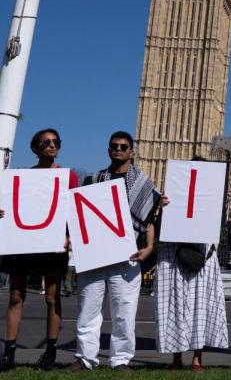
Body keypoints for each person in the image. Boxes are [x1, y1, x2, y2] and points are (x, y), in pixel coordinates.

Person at [71, 131, 158, 371]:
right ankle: (85, 358)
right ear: (108, 150)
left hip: (127, 257)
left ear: (131, 151)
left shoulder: (143, 182)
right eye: (114, 146)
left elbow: (149, 219)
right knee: (88, 309)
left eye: (123, 146)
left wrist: (149, 247)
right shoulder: (93, 179)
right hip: (95, 256)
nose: (118, 149)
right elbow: (80, 217)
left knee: (124, 313)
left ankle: (120, 360)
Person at [0, 129, 78, 371]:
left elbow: (72, 209)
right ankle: (8, 355)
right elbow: (11, 205)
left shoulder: (68, 176)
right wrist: (3, 212)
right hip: (23, 242)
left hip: (52, 243)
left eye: (56, 142)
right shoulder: (21, 177)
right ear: (35, 148)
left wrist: (69, 235)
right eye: (46, 142)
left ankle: (50, 353)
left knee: (52, 298)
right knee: (16, 296)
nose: (52, 145)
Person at [154, 157, 229, 371]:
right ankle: (176, 358)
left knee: (200, 305)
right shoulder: (172, 195)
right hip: (174, 253)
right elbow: (159, 227)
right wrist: (161, 209)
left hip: (202, 255)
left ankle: (197, 358)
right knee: (175, 305)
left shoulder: (211, 197)